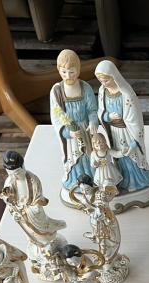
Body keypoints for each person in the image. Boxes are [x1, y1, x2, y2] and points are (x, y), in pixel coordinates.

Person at [0, 150, 67, 281]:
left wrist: (30, 208)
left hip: (33, 213)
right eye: (11, 173)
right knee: (30, 234)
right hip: (20, 214)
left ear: (23, 167)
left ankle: (49, 247)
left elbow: (37, 199)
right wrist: (11, 203)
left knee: (43, 232)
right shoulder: (9, 181)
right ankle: (40, 250)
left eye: (17, 173)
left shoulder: (33, 180)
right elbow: (7, 199)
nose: (14, 176)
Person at [95, 59, 149, 192]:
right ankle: (122, 178)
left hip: (127, 131)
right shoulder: (102, 91)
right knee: (119, 156)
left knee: (130, 154)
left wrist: (134, 140)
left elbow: (134, 119)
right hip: (113, 132)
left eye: (106, 80)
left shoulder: (126, 94)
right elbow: (100, 111)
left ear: (113, 76)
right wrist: (108, 117)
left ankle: (137, 180)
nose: (103, 83)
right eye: (101, 81)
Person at [50, 49, 99, 192]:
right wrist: (68, 132)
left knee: (88, 155)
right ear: (58, 70)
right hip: (70, 134)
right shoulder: (57, 91)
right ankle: (76, 181)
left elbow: (92, 109)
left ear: (78, 70)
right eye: (64, 72)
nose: (68, 76)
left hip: (85, 129)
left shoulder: (85, 87)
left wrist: (93, 122)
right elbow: (57, 116)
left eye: (71, 72)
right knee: (74, 157)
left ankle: (93, 179)